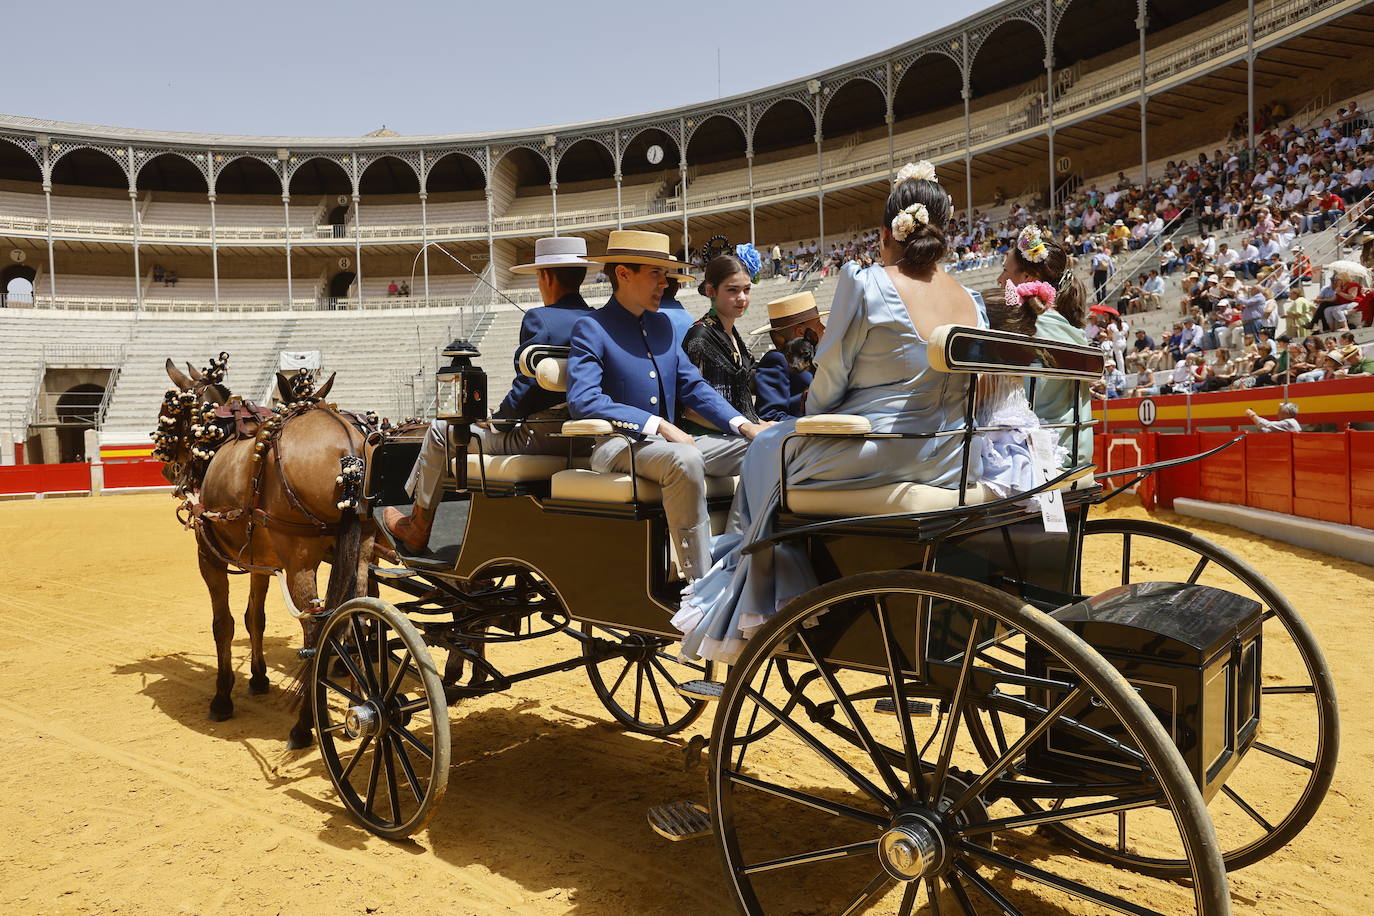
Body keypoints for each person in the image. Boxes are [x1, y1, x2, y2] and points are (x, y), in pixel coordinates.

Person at [673, 160, 989, 662]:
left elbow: (828, 387)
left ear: (886, 234)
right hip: (954, 454)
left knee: (768, 449)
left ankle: (757, 603)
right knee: (772, 442)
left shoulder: (867, 282)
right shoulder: (972, 298)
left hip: (885, 450)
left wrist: (808, 415)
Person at [567, 230, 771, 582]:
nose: (665, 283)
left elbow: (692, 385)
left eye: (665, 274)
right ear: (623, 274)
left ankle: (739, 554)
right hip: (620, 446)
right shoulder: (592, 327)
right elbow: (584, 400)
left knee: (767, 447)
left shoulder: (660, 325)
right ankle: (699, 579)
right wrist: (657, 424)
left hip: (668, 446)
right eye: (655, 274)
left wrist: (743, 425)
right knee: (686, 457)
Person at [384, 236, 596, 553]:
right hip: (582, 437)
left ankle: (418, 524)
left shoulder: (539, 318)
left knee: (440, 431)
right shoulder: (596, 319)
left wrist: (497, 422)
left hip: (538, 438)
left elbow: (527, 385)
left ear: (546, 276)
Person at [996, 223, 1093, 465]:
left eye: (1005, 271)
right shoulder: (1067, 328)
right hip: (1076, 451)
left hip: (1043, 455)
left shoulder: (1027, 328)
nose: (999, 280)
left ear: (1027, 278)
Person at [681, 253, 760, 434]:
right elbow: (691, 410)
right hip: (708, 437)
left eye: (746, 289)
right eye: (732, 290)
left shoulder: (731, 334)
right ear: (711, 291)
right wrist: (747, 429)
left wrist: (760, 424)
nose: (742, 297)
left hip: (736, 432)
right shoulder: (700, 336)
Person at [752, 291, 825, 421]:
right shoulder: (777, 360)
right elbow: (771, 415)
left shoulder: (817, 356)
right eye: (818, 323)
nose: (824, 327)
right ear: (801, 332)